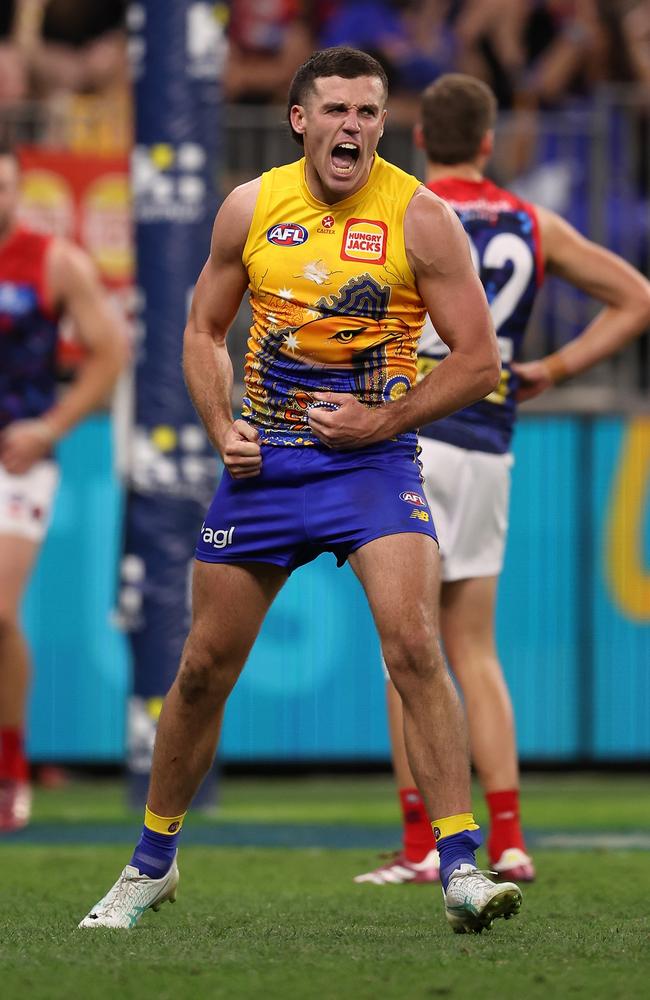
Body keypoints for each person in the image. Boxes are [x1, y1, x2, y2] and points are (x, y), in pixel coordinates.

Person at [79, 46, 523, 935]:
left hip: (373, 464)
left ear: (383, 123)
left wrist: (382, 424)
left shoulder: (421, 216)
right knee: (202, 671)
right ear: (300, 119)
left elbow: (479, 363)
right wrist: (220, 429)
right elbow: (202, 330)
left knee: (414, 646)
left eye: (368, 112)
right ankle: (151, 864)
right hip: (269, 467)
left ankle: (460, 868)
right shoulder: (251, 206)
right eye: (336, 111)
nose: (353, 126)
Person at [353, 72, 650, 887]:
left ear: (419, 139)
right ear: (489, 142)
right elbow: (635, 298)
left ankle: (422, 845)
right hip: (488, 443)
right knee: (475, 648)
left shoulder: (401, 211)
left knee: (404, 653)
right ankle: (511, 839)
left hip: (410, 436)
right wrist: (553, 366)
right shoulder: (530, 220)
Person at [0, 145, 128, 831]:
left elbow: (110, 349)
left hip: (15, 460)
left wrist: (49, 427)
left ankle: (10, 768)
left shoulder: (52, 261)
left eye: (4, 188)